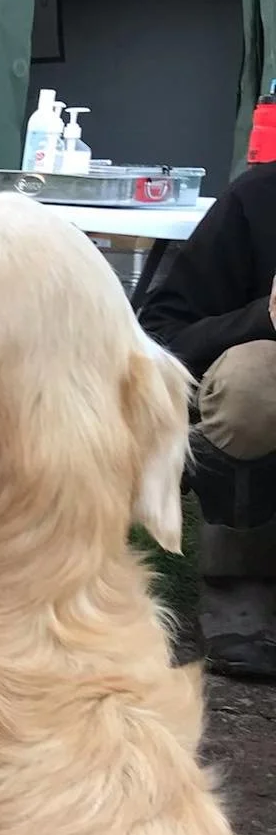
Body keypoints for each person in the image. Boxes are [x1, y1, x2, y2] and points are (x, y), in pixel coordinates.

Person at [139, 160, 276, 675]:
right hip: (265, 407)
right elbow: (161, 335)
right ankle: (241, 581)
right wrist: (264, 315)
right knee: (253, 384)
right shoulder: (260, 198)